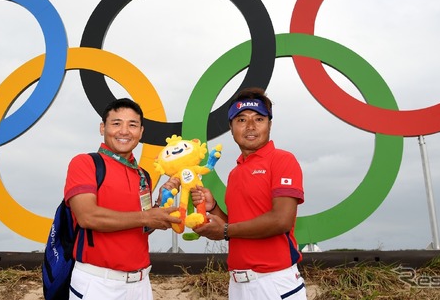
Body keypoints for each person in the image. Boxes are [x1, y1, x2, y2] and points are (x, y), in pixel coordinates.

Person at [192, 87, 307, 300]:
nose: (250, 126)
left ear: (270, 124)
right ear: (231, 127)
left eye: (259, 119)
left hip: (275, 282)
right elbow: (238, 229)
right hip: (238, 285)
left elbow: (281, 220)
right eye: (242, 120)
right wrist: (214, 208)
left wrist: (224, 229)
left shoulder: (282, 160)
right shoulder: (235, 172)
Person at [63, 98, 181, 300]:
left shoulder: (143, 175)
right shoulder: (85, 163)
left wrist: (160, 204)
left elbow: (143, 227)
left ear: (141, 132)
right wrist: (146, 218)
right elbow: (88, 217)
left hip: (141, 284)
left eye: (132, 125)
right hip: (98, 283)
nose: (124, 131)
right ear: (102, 128)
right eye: (116, 123)